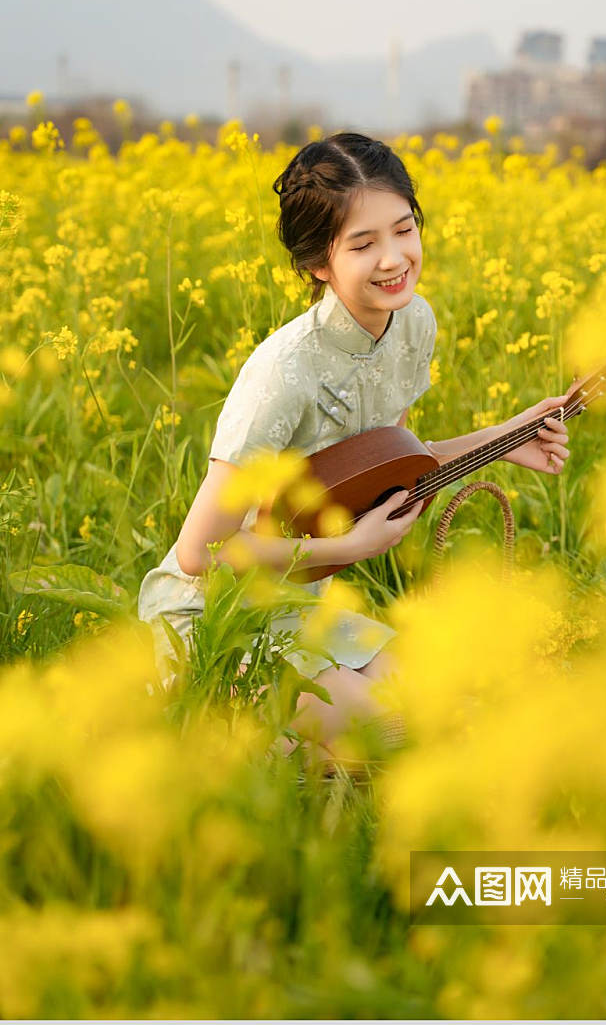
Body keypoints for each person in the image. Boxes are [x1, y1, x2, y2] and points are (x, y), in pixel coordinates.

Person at [138, 132, 570, 775]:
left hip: (303, 604)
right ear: (319, 262)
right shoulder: (282, 375)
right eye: (364, 245)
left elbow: (382, 466)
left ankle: (280, 740)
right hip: (220, 616)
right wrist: (350, 550)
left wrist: (507, 440)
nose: (395, 259)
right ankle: (206, 721)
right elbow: (205, 555)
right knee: (401, 729)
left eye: (404, 229)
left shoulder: (413, 324)